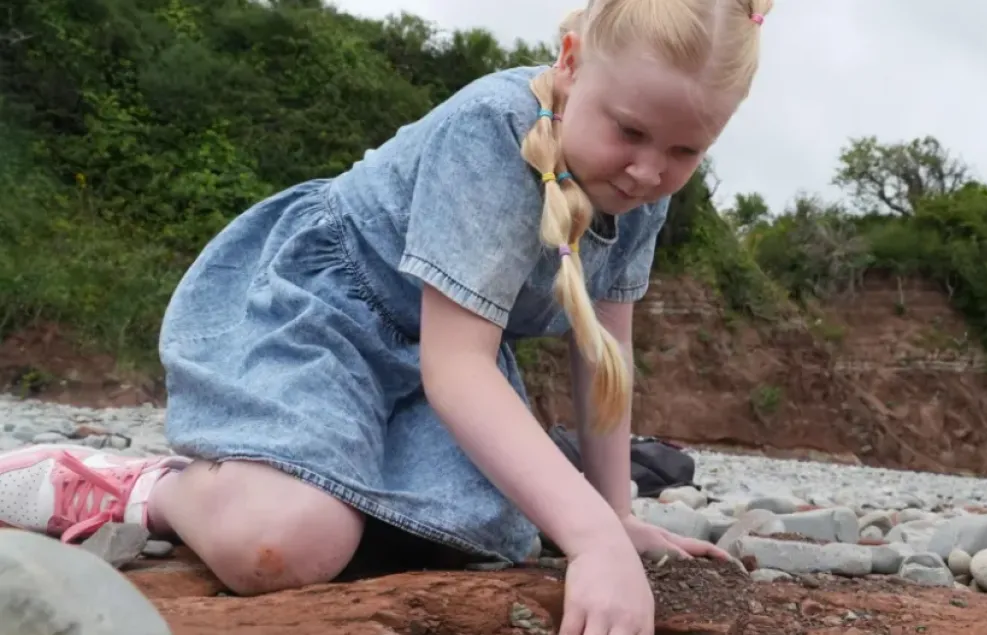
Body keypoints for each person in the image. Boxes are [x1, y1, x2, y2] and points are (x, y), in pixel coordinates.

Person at [0, 0, 772, 632]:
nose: (647, 169)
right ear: (570, 61)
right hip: (321, 313)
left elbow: (604, 353)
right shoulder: (494, 133)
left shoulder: (640, 192)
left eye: (684, 151)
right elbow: (458, 365)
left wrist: (614, 515)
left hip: (425, 359)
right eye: (630, 131)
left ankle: (320, 473)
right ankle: (137, 487)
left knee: (478, 537)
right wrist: (593, 540)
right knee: (287, 542)